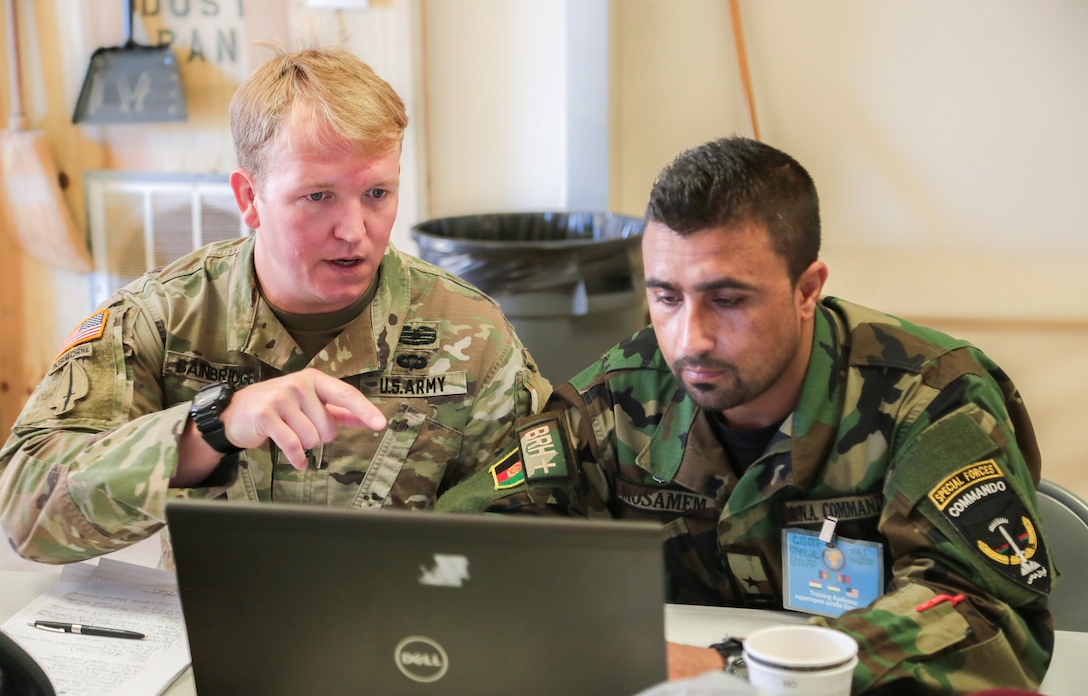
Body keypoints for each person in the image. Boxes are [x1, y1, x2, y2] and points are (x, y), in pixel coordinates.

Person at [437, 136, 1053, 693]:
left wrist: (737, 667)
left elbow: (981, 611)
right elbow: (472, 546)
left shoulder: (930, 397)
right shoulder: (617, 394)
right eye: (666, 297)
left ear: (807, 289)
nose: (690, 338)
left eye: (727, 300)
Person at [0, 44, 550, 567]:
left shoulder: (471, 333)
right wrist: (209, 430)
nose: (354, 231)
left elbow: (541, 521)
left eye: (377, 194)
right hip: (214, 640)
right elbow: (23, 517)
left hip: (402, 641)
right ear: (249, 199)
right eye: (318, 196)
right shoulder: (161, 318)